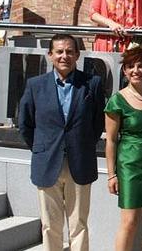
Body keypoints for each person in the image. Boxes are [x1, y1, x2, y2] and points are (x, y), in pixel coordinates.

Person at [18, 34, 105, 251]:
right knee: (50, 226)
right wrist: (43, 148)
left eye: (69, 51)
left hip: (80, 162)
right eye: (59, 51)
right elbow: (25, 124)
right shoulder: (35, 85)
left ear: (77, 54)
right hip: (47, 162)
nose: (64, 56)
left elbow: (97, 124)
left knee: (79, 225)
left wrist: (80, 145)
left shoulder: (92, 84)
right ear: (50, 55)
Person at [104, 47, 142, 251]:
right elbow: (111, 140)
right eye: (131, 66)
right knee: (129, 221)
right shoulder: (117, 100)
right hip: (129, 165)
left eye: (141, 65)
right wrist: (111, 175)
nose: (136, 70)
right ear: (124, 71)